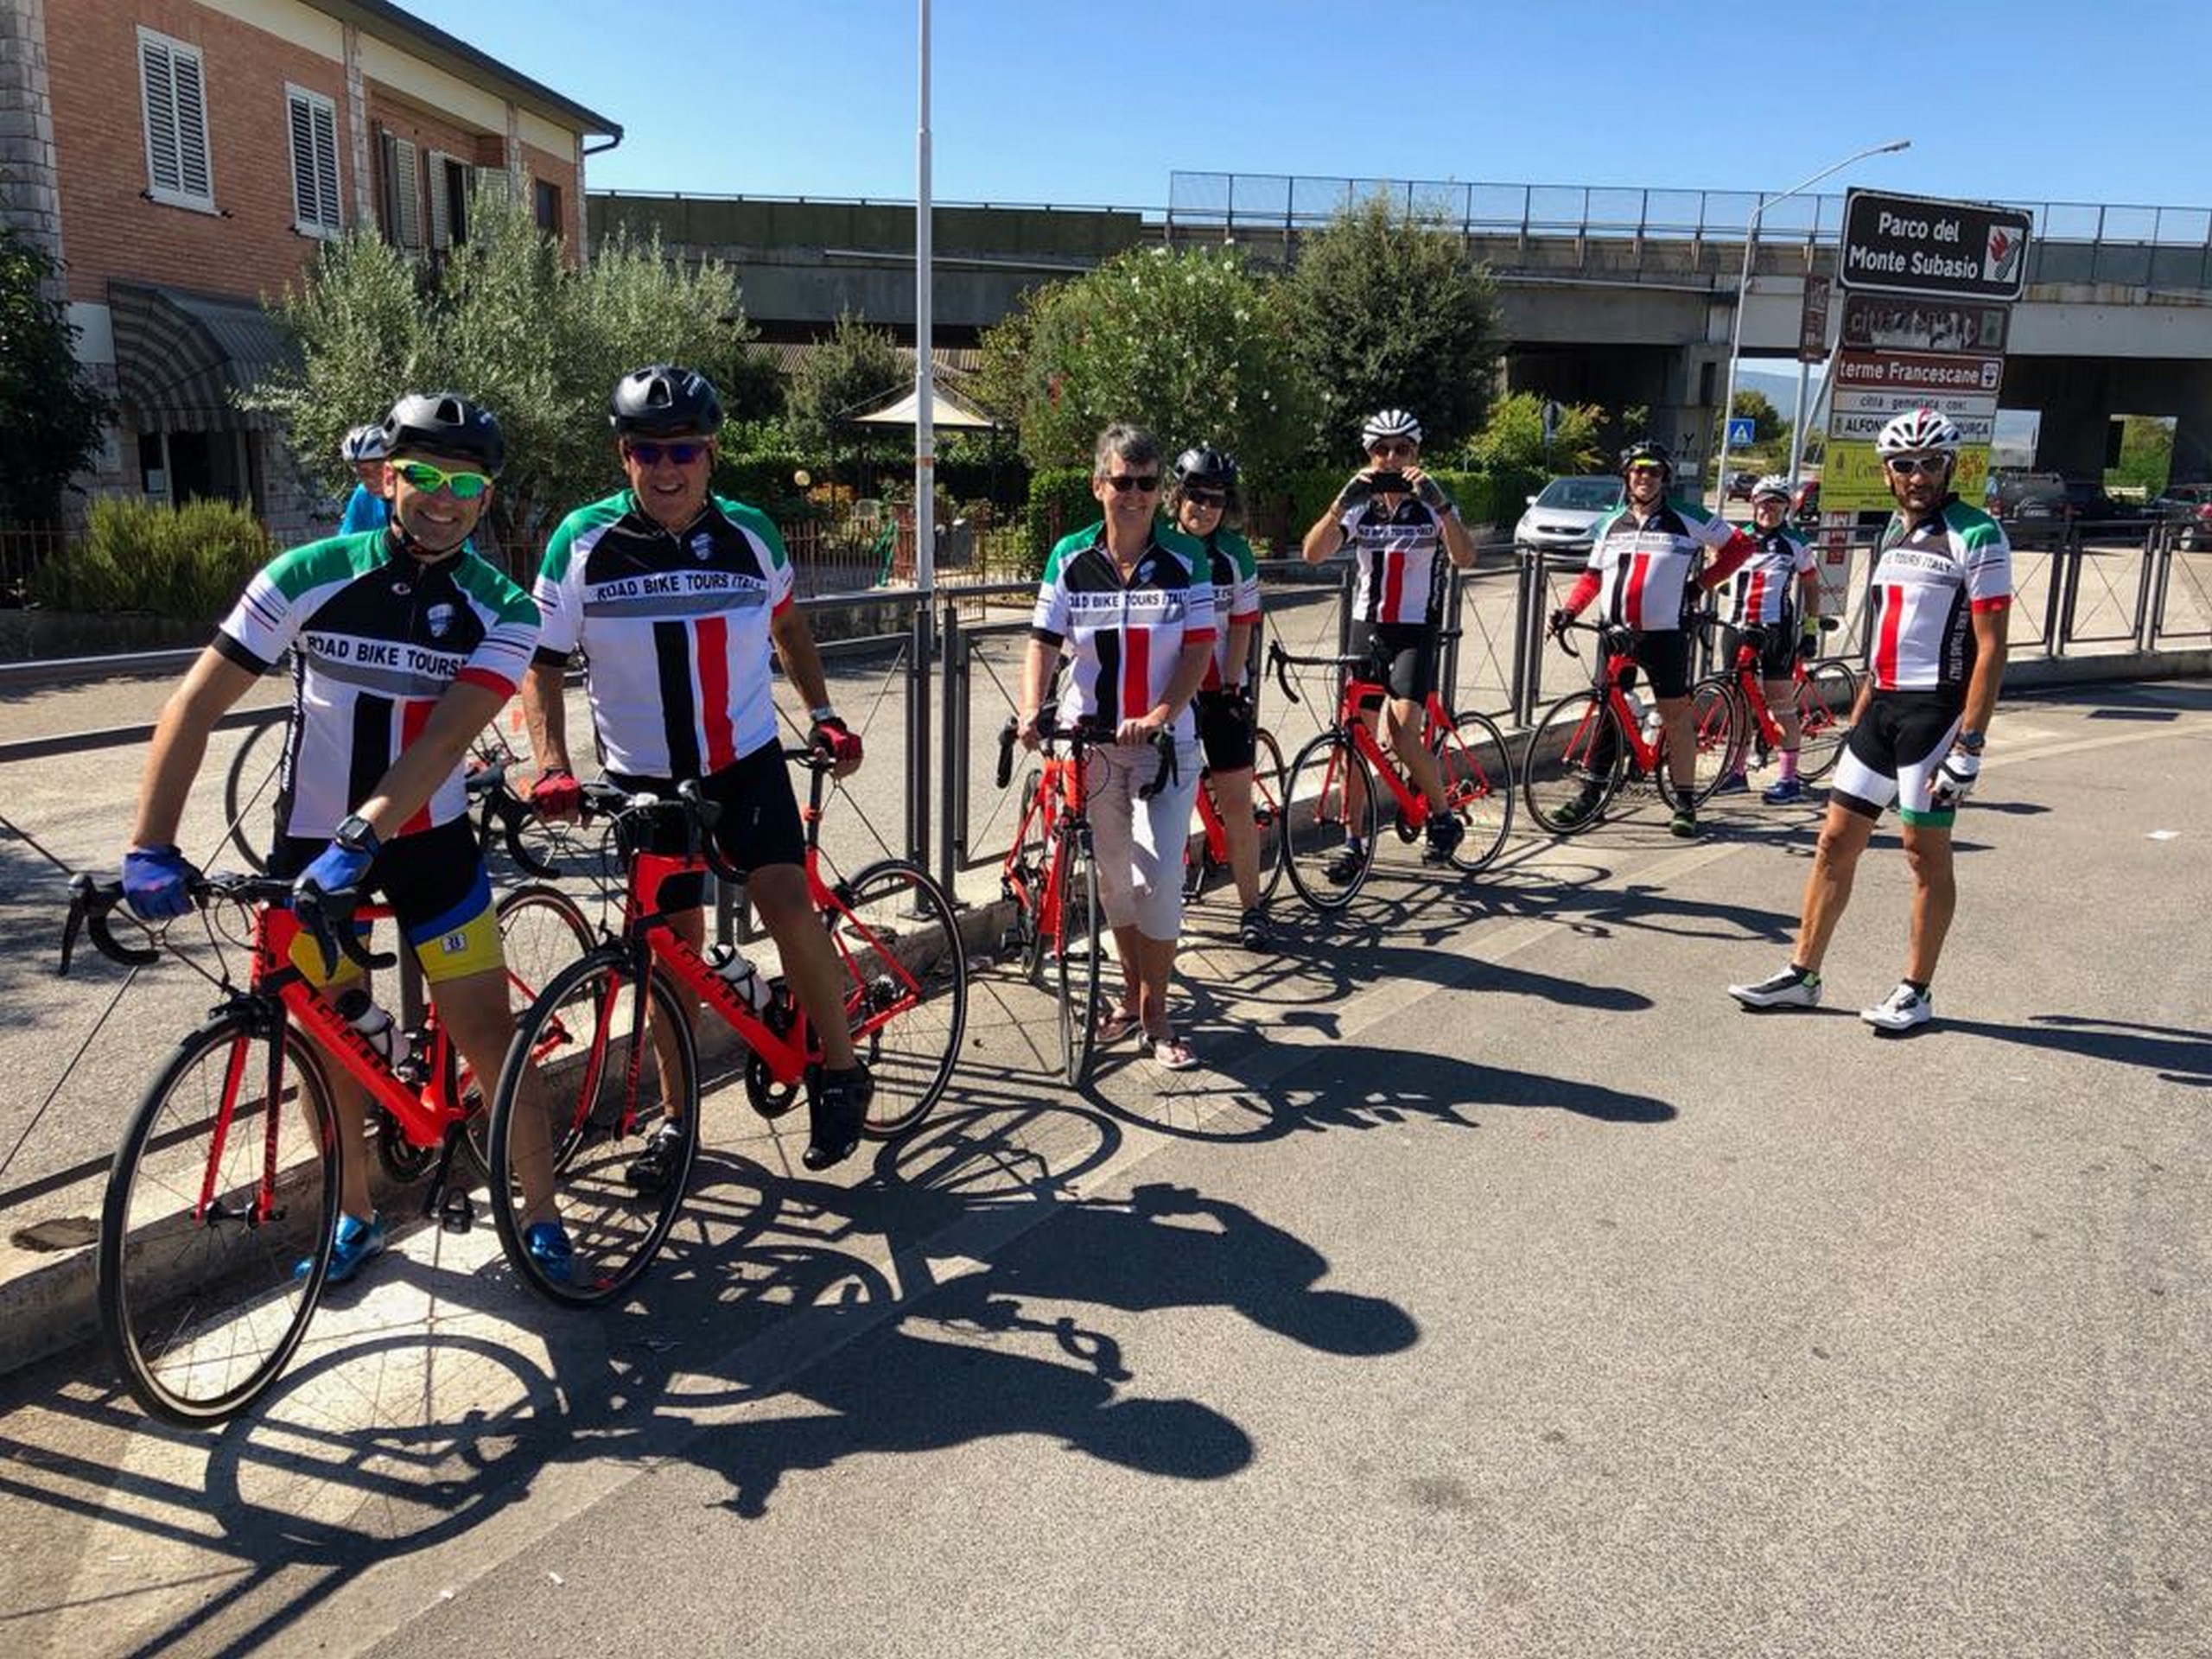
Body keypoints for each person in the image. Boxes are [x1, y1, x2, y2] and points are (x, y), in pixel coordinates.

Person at [121, 391, 570, 1283]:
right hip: (307, 843)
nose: (444, 501)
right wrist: (149, 842)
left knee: (487, 1030)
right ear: (387, 476)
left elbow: (446, 740)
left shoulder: (505, 607)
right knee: (324, 1045)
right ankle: (353, 1212)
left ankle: (545, 1211)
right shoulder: (307, 573)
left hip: (425, 843)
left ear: (486, 497)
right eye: (426, 478)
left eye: (467, 484)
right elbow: (194, 705)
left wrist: (364, 835)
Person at [522, 364, 873, 1175]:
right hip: (642, 780)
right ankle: (680, 1124)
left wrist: (822, 713)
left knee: (786, 900)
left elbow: (788, 627)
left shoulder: (751, 532)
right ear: (625, 456)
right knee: (670, 957)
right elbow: (539, 664)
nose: (667, 468)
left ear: (710, 452)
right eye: (649, 451)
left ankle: (841, 1073)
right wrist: (550, 765)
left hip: (741, 764)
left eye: (683, 450)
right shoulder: (581, 541)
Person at [1728, 407, 2012, 1033]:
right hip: (1880, 708)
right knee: (1834, 843)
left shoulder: (1978, 533)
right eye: (1905, 465)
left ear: (1952, 465)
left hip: (1936, 714)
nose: (1918, 476)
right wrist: (1859, 709)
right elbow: (1884, 630)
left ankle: (1917, 989)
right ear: (1887, 472)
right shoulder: (1891, 533)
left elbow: (1993, 646)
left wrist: (1971, 743)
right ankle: (1803, 975)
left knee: (1922, 853)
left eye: (1930, 463)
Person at [1019, 423, 1214, 1069]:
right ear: (1098, 484)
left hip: (1166, 743)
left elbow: (1198, 646)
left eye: (1147, 484)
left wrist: (1161, 711)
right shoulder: (1069, 557)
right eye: (1122, 481)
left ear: (1160, 493)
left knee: (1159, 875)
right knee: (1112, 880)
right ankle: (1132, 996)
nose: (1134, 494)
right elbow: (1045, 640)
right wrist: (1030, 710)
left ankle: (1158, 1014)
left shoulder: (1187, 560)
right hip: (1092, 742)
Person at [1547, 437, 1757, 837]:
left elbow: (1740, 547)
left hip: (1665, 635)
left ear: (1665, 478)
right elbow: (1592, 578)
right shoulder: (1611, 522)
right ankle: (1592, 796)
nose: (1645, 477)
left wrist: (1699, 586)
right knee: (1610, 708)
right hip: (1615, 632)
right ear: (1627, 475)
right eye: (1638, 470)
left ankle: (1684, 801)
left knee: (1677, 717)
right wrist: (1569, 611)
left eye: (1654, 471)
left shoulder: (1687, 516)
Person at [1299, 408, 1476, 875]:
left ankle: (1442, 816)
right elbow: (1313, 555)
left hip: (1415, 631)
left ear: (1416, 452)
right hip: (1367, 627)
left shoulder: (1433, 503)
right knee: (1356, 737)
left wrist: (1440, 506)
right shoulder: (1360, 507)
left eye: (1403, 449)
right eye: (1382, 449)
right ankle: (1353, 842)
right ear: (1369, 455)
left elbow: (1466, 557)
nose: (1392, 458)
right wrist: (1339, 504)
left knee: (1399, 732)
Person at [1170, 444, 1271, 950]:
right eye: (1194, 496)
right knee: (1170, 798)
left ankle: (1252, 908)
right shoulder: (1160, 545)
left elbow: (1244, 624)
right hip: (1172, 695)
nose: (1203, 507)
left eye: (1214, 499)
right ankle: (1166, 901)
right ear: (1178, 495)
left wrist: (1232, 686)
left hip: (1222, 690)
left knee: (1235, 801)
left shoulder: (1236, 553)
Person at [1714, 474, 1821, 804]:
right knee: (1738, 702)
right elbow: (1719, 573)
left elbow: (1811, 586)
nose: (1769, 509)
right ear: (1754, 504)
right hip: (1736, 626)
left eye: (1777, 503)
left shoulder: (1796, 542)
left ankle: (1788, 780)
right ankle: (1736, 772)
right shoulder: (1736, 538)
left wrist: (1810, 628)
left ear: (1786, 508)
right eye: (1764, 502)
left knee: (1780, 703)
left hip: (1775, 630)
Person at [338, 423, 391, 534]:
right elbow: (347, 542)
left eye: (379, 468)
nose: (372, 478)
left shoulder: (417, 493)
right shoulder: (363, 495)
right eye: (363, 472)